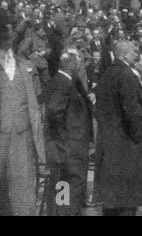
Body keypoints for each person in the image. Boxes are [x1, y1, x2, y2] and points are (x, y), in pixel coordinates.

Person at [95, 41, 142, 216]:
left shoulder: (108, 73)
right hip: (127, 144)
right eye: (133, 51)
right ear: (123, 54)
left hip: (111, 142)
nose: (136, 53)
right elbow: (132, 110)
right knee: (127, 198)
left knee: (114, 200)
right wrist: (140, 136)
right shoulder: (125, 75)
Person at [0, 23, 45, 216]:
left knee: (23, 187)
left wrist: (42, 153)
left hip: (22, 134)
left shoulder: (27, 67)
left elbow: (36, 107)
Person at [43, 48, 93, 216]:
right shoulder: (64, 83)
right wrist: (62, 140)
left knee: (63, 184)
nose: (81, 66)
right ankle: (66, 213)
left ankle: (63, 212)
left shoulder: (62, 81)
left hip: (69, 144)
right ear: (72, 63)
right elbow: (52, 111)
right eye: (80, 63)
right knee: (72, 184)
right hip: (71, 145)